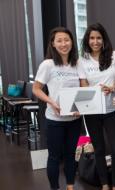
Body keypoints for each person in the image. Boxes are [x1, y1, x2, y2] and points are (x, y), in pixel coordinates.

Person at [32, 27, 84, 190]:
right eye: (59, 40)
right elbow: (36, 88)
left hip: (74, 119)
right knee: (54, 157)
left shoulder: (78, 63)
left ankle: (70, 186)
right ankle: (54, 188)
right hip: (55, 119)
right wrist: (51, 102)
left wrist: (82, 106)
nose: (64, 44)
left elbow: (84, 88)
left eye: (67, 40)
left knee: (70, 156)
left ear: (72, 42)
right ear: (53, 44)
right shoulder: (48, 65)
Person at [78, 23, 115, 190]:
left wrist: (112, 88)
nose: (95, 41)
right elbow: (83, 86)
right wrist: (93, 90)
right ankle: (104, 184)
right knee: (99, 149)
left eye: (98, 38)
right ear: (87, 40)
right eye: (92, 38)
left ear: (103, 39)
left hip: (112, 109)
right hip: (92, 111)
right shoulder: (82, 60)